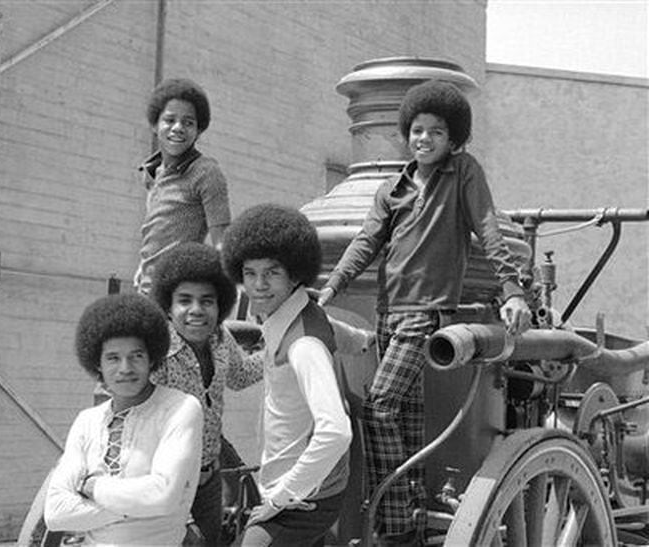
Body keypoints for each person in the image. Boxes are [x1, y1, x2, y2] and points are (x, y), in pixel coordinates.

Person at [318, 80, 532, 545]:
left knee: (377, 408)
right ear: (406, 133)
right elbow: (365, 243)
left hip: (426, 314)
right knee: (407, 422)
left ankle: (392, 521)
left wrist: (513, 289)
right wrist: (331, 287)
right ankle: (410, 519)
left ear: (453, 137)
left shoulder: (463, 174)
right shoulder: (390, 190)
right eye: (417, 129)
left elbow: (490, 230)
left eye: (436, 131)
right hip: (386, 314)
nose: (425, 138)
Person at [221, 203, 353, 547]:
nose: (259, 285)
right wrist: (367, 343)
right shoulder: (299, 312)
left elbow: (337, 432)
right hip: (293, 484)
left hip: (303, 498)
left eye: (272, 273)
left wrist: (280, 498)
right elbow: (342, 332)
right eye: (250, 273)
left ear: (295, 274)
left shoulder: (303, 344)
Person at [44, 294, 204, 546]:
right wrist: (137, 508)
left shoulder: (181, 408)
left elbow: (162, 496)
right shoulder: (87, 421)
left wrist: (93, 488)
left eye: (136, 356)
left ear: (152, 358)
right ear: (97, 363)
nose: (125, 368)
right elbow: (56, 513)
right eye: (113, 358)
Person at [150, 242, 264, 546]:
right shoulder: (156, 353)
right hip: (166, 484)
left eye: (207, 301)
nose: (197, 310)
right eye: (185, 300)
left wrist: (284, 345)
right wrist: (182, 520)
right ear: (169, 306)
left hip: (209, 480)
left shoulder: (221, 338)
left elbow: (240, 377)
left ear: (220, 304)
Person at [135, 78, 231, 294]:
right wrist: (142, 268)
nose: (178, 128)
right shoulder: (152, 173)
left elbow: (222, 244)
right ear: (154, 124)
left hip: (178, 291)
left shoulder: (206, 172)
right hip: (146, 288)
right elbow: (157, 234)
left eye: (188, 122)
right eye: (170, 120)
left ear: (198, 130)